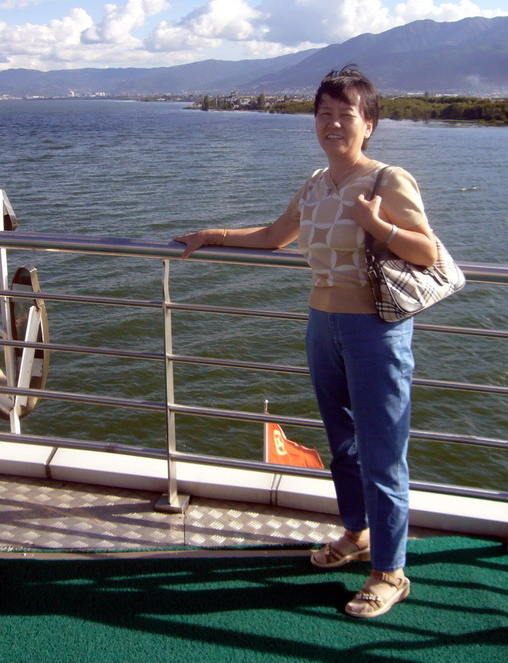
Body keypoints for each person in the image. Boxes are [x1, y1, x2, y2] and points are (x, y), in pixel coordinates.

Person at [175, 66, 437, 619]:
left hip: (377, 332)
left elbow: (427, 253)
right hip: (322, 324)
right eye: (324, 113)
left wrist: (379, 225)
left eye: (346, 115)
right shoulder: (316, 183)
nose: (333, 124)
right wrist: (211, 235)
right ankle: (357, 532)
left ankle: (390, 571)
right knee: (342, 442)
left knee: (384, 453)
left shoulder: (388, 180)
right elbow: (275, 236)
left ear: (368, 124)